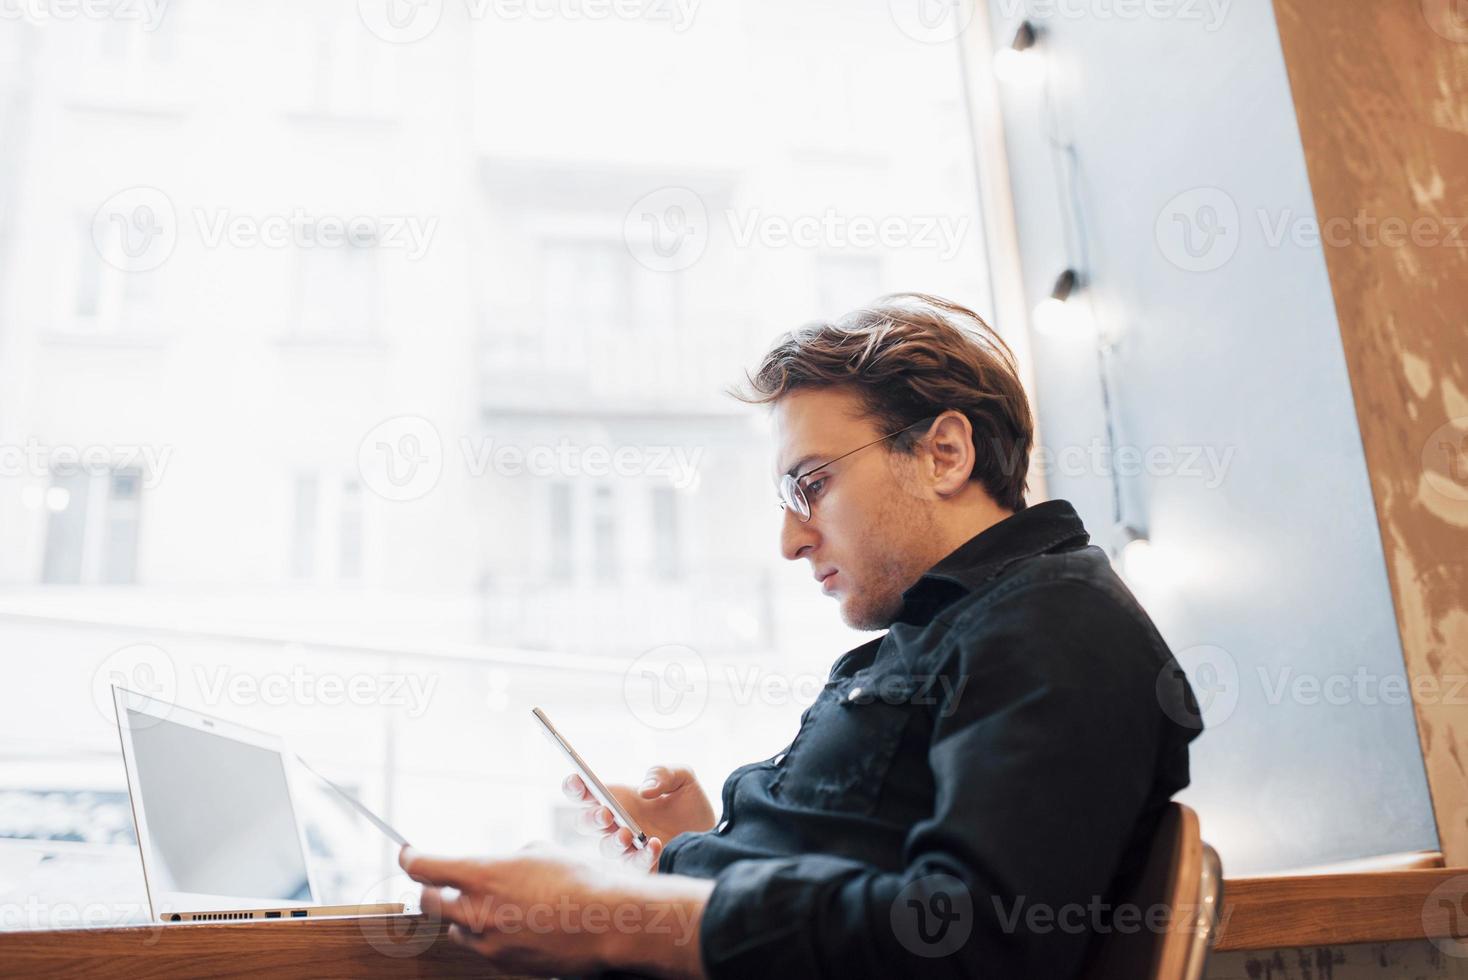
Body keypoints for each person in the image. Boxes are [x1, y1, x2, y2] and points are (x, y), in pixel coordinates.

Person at [400, 293, 1201, 979]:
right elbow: (869, 868)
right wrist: (693, 848)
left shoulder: (1057, 624)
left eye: (810, 485)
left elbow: (968, 942)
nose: (791, 540)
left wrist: (614, 913)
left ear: (944, 453)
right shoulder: (947, 626)